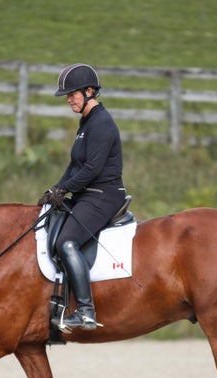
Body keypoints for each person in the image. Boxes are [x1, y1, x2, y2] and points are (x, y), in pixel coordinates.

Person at [37, 63, 126, 331]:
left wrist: (65, 190)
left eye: (72, 93)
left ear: (89, 91)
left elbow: (91, 169)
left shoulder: (101, 123)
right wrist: (55, 188)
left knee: (66, 242)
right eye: (67, 95)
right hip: (88, 193)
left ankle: (86, 311)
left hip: (104, 195)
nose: (68, 99)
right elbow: (74, 166)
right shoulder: (86, 123)